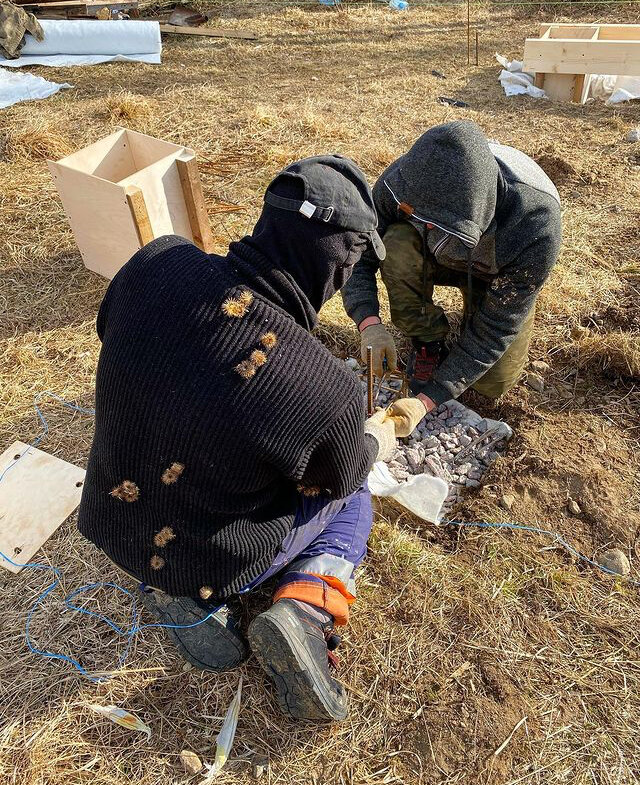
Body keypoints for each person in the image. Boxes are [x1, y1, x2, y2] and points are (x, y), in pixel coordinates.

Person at [77, 155, 425, 723]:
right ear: (339, 267)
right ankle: (306, 610)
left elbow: (116, 330)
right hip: (213, 558)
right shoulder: (319, 384)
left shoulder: (155, 262)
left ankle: (173, 590)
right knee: (353, 502)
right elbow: (341, 474)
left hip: (113, 516)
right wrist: (383, 429)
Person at [342, 120, 562, 413]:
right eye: (421, 218)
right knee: (395, 242)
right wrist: (368, 324)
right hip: (435, 257)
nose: (427, 226)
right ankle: (427, 340)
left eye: (439, 224)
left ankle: (474, 310)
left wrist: (427, 400)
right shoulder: (403, 180)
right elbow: (359, 253)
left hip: (496, 274)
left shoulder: (535, 223)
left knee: (491, 384)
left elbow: (497, 329)